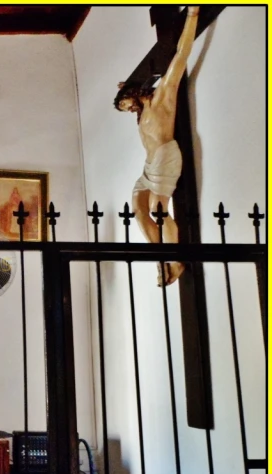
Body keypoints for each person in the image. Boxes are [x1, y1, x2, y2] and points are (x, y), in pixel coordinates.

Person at [114, 6, 199, 286]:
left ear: (135, 95)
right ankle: (161, 258)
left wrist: (192, 16)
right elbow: (130, 99)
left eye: (128, 104)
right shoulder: (141, 114)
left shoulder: (164, 95)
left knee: (158, 209)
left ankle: (176, 261)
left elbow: (181, 55)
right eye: (126, 108)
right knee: (139, 208)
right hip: (149, 165)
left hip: (166, 156)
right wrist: (126, 89)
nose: (129, 110)